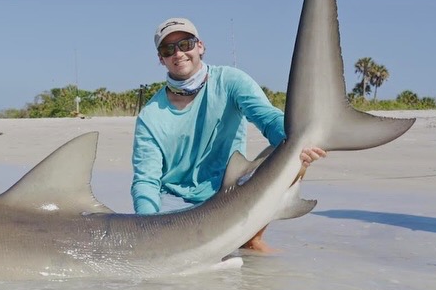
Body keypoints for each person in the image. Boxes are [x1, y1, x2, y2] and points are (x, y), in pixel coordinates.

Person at [131, 17, 326, 252]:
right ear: (160, 59)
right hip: (176, 203)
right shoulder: (150, 116)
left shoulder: (231, 81)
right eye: (168, 49)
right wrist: (147, 227)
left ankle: (252, 239)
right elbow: (146, 180)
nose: (178, 53)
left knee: (290, 149)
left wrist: (299, 143)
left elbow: (269, 119)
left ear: (200, 46)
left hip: (231, 192)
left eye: (185, 44)